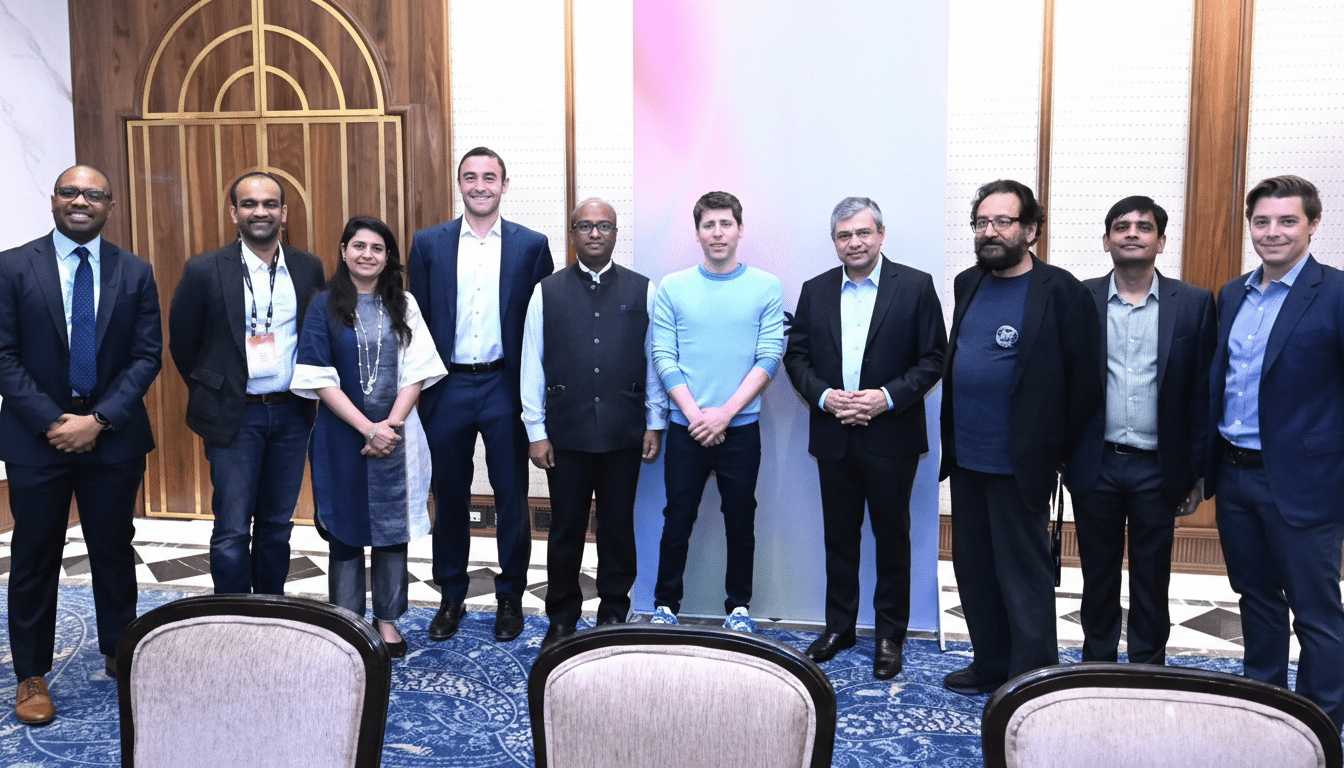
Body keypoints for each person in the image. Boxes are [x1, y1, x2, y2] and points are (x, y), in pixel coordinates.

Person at [0, 165, 161, 726]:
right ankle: (31, 674)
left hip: (113, 439)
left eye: (94, 194)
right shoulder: (12, 266)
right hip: (35, 439)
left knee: (113, 548)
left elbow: (147, 356)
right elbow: (3, 355)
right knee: (34, 554)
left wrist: (97, 420)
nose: (80, 201)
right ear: (53, 201)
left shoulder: (135, 271)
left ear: (110, 207)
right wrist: (54, 422)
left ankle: (120, 651)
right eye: (70, 192)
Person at [940, 179, 1101, 694]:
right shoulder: (968, 282)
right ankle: (989, 663)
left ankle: (1031, 676)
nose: (990, 232)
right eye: (982, 222)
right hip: (967, 456)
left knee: (1023, 574)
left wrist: (1059, 452)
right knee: (974, 568)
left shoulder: (1062, 290)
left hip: (1022, 460)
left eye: (1003, 222)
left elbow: (1084, 382)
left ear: (1030, 230)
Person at [783, 196, 946, 679]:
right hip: (834, 433)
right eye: (844, 235)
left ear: (880, 234)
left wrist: (886, 397)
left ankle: (890, 634)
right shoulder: (815, 290)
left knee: (892, 538)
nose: (854, 242)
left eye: (862, 233)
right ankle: (840, 628)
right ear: (834, 241)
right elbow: (797, 357)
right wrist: (825, 397)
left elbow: (934, 357)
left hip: (891, 435)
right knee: (839, 538)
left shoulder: (915, 286)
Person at [1205, 175, 1344, 730]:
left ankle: (1318, 726)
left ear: (1313, 224)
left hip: (1305, 482)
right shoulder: (1232, 294)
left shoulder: (1336, 293)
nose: (1273, 232)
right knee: (1256, 600)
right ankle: (1264, 713)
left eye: (1287, 220)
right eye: (1261, 221)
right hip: (1235, 475)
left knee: (1316, 613)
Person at [407, 147, 554, 643]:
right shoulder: (428, 244)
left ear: (504, 185)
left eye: (489, 177)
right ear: (459, 184)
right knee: (449, 495)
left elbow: (541, 327)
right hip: (446, 385)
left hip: (503, 386)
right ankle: (451, 596)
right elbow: (417, 320)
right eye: (470, 177)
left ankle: (510, 597)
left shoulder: (532, 246)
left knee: (512, 494)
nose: (480, 186)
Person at [1064, 196, 1216, 664]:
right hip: (1096, 463)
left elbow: (1203, 394)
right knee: (1098, 575)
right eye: (1122, 226)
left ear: (1161, 242)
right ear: (1106, 240)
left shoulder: (1193, 303)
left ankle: (1148, 667)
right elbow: (1059, 382)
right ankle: (1097, 664)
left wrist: (1197, 474)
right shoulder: (1079, 298)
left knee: (1153, 576)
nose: (1132, 233)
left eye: (1144, 227)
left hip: (1159, 467)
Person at [292, 216, 446, 658]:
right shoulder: (323, 304)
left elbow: (418, 370)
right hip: (342, 436)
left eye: (377, 248)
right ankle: (348, 620)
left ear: (387, 257)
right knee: (345, 527)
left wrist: (390, 427)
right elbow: (318, 376)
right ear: (343, 251)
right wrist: (368, 428)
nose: (367, 255)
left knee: (391, 530)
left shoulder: (404, 304)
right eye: (358, 246)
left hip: (397, 436)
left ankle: (387, 620)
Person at [169, 171, 326, 595]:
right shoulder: (204, 269)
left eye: (270, 204)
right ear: (234, 213)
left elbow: (317, 335)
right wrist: (215, 391)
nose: (261, 212)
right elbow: (183, 342)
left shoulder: (308, 268)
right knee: (233, 527)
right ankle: (232, 613)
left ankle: (270, 608)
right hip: (234, 417)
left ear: (284, 213)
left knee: (277, 523)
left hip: (292, 414)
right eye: (250, 204)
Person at [522, 198, 668, 651]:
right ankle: (562, 618)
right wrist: (536, 431)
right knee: (565, 528)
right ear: (572, 233)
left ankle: (612, 614)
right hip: (565, 433)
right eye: (585, 226)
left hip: (625, 431)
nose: (594, 233)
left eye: (603, 225)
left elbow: (654, 361)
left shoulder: (644, 290)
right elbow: (532, 364)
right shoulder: (546, 291)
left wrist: (655, 422)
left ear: (615, 233)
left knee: (617, 528)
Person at [648, 190, 784, 632]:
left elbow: (769, 357)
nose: (718, 232)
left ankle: (738, 608)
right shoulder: (673, 287)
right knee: (677, 518)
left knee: (740, 520)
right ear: (698, 233)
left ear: (740, 229)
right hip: (685, 428)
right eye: (709, 225)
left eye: (726, 223)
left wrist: (724, 414)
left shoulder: (766, 286)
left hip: (740, 429)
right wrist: (696, 416)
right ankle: (665, 606)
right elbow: (663, 356)